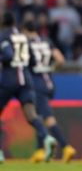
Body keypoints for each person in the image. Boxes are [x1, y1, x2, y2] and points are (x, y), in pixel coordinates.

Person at [0, 12, 57, 163]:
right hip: (26, 79)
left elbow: (7, 55)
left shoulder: (4, 36)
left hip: (9, 79)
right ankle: (47, 137)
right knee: (31, 115)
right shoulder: (23, 37)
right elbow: (32, 59)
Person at [22, 21, 77, 163]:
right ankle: (40, 150)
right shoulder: (46, 41)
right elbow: (60, 59)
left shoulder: (26, 44)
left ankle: (66, 146)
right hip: (48, 82)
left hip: (35, 83)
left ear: (25, 31)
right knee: (38, 115)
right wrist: (48, 68)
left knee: (46, 118)